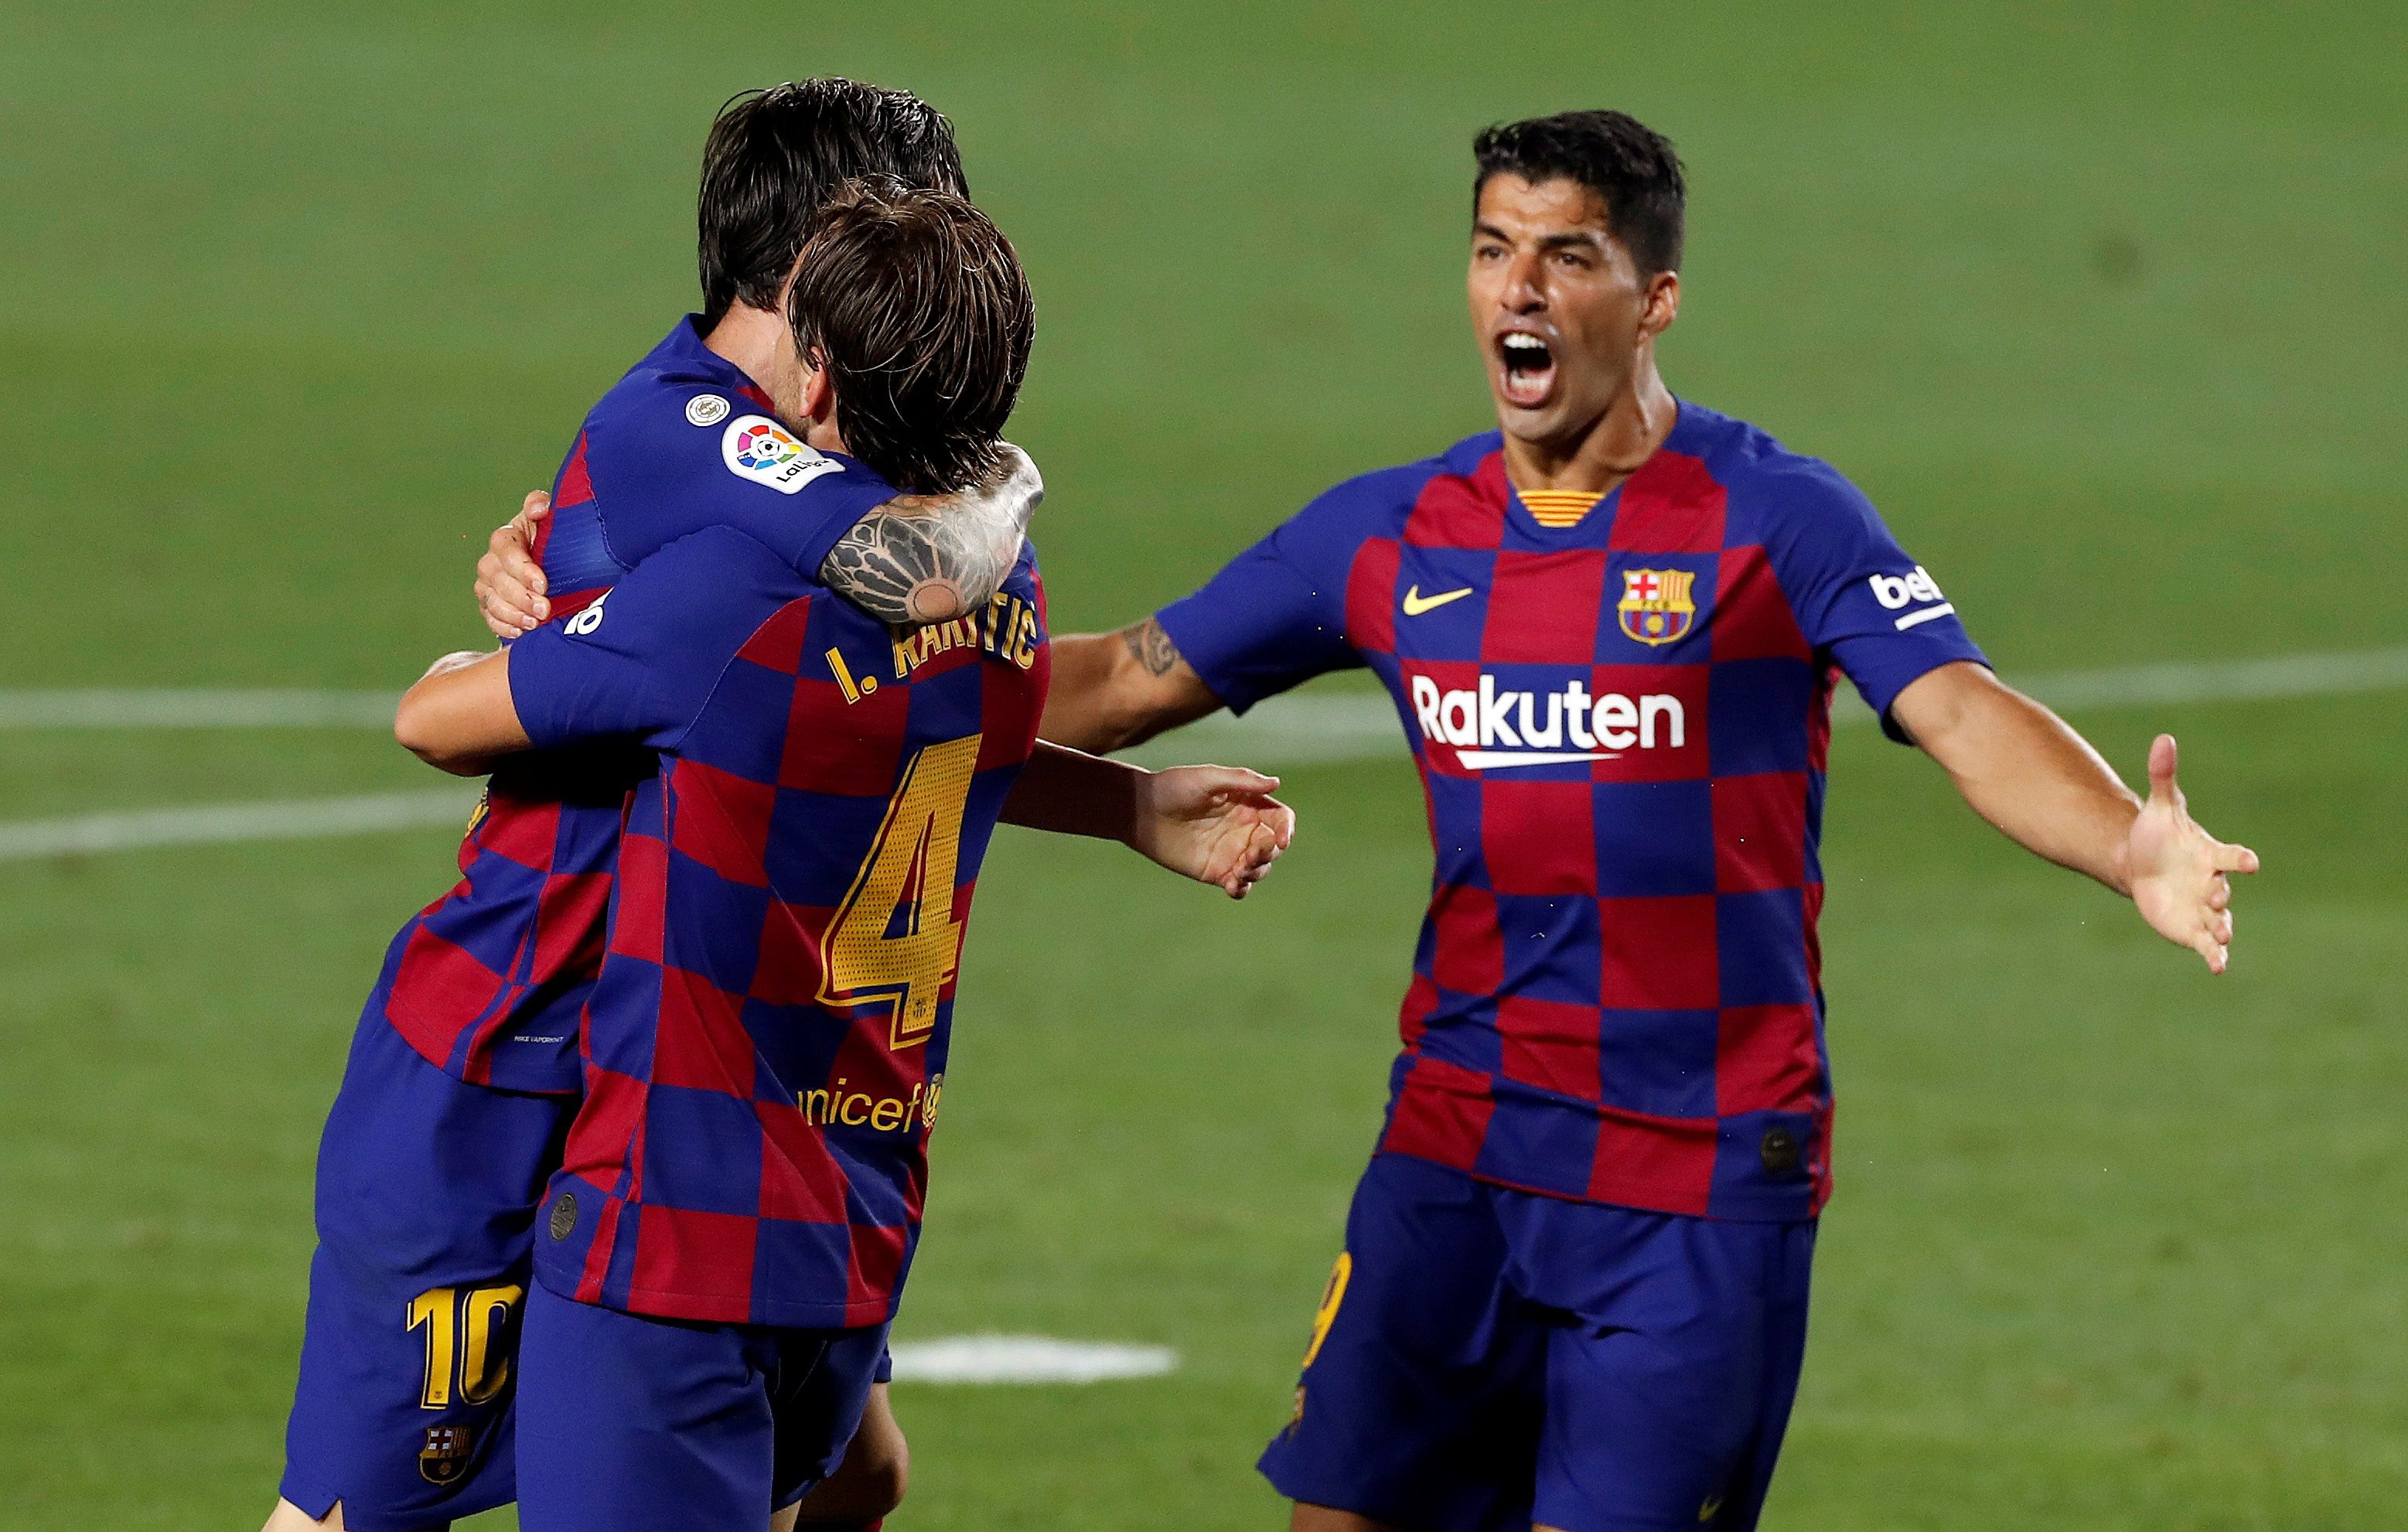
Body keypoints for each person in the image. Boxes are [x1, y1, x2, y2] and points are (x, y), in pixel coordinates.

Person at [480, 111, 2258, 1532]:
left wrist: (2132, 844)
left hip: (1692, 1183)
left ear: (1654, 299)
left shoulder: (1769, 521)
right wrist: (649, 629)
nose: (1523, 290)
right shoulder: (1389, 539)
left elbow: (1957, 709)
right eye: (1495, 247)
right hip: (1456, 1156)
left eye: (1571, 255)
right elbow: (1117, 679)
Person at [275, 80, 1105, 1532]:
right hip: (514, 1046)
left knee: (860, 1474)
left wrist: (1132, 808)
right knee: (354, 1515)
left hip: (705, 1055)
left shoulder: (804, 465)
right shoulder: (695, 434)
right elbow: (913, 582)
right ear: (810, 285)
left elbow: (906, 710)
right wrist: (1008, 491)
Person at [402, 179, 1292, 1530]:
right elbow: (926, 744)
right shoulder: (1007, 598)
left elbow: (434, 720)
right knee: (862, 1485)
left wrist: (520, 618)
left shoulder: (721, 600)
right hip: (852, 1230)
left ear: (812, 374)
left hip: (671, 1242)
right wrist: (1124, 806)